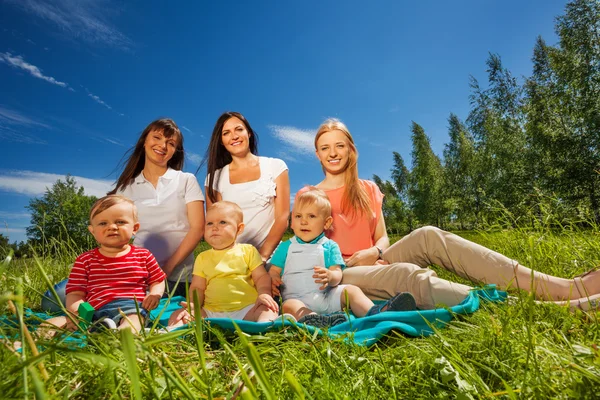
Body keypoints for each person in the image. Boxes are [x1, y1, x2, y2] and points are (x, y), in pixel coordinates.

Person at [297, 118, 600, 311]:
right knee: (405, 275)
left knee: (429, 234)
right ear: (317, 154)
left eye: (339, 145)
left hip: (375, 258)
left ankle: (563, 287)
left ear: (351, 150)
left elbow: (383, 238)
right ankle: (544, 308)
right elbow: (304, 247)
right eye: (325, 148)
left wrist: (373, 250)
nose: (333, 153)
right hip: (339, 273)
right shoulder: (309, 194)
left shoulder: (367, 188)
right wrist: (347, 262)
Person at [269, 187, 417, 327]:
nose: (303, 221)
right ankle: (317, 320)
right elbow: (274, 270)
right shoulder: (286, 246)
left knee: (351, 291)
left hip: (325, 297)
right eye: (298, 216)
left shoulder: (329, 246)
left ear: (326, 223)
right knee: (289, 306)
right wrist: (274, 279)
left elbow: (338, 273)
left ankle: (375, 312)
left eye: (311, 216)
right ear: (291, 223)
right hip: (297, 299)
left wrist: (330, 276)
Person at [111, 118, 205, 297]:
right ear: (145, 140)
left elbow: (198, 228)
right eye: (157, 138)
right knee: (60, 296)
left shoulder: (186, 180)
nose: (163, 145)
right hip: (138, 274)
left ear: (174, 151)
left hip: (178, 278)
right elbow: (118, 234)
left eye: (170, 143)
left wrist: (166, 269)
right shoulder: (126, 189)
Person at [45, 195, 166, 333]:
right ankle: (32, 341)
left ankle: (123, 336)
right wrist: (76, 312)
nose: (112, 227)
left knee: (134, 319)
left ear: (135, 228)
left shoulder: (143, 255)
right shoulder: (84, 260)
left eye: (120, 222)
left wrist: (155, 294)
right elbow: (75, 293)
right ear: (92, 231)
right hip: (93, 310)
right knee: (55, 322)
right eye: (103, 223)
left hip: (131, 307)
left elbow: (157, 280)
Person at [169, 201, 279, 327]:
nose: (214, 227)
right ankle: (171, 332)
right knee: (178, 315)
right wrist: (193, 304)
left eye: (223, 222)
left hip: (247, 310)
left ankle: (263, 328)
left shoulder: (248, 251)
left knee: (268, 311)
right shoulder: (202, 258)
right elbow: (197, 287)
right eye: (209, 223)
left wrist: (264, 293)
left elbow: (261, 277)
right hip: (210, 313)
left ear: (239, 229)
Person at [203, 111, 290, 262]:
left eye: (239, 129)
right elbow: (215, 226)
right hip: (233, 260)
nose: (234, 136)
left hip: (272, 257)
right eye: (226, 133)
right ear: (221, 141)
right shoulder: (214, 179)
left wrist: (261, 258)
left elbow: (282, 217)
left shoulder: (275, 166)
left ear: (248, 133)